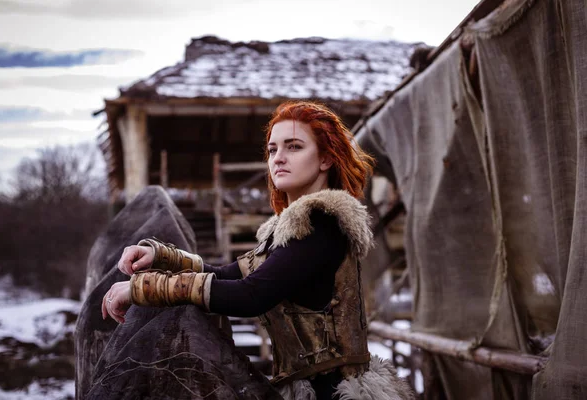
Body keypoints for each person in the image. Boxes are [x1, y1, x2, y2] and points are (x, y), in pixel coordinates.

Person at [102, 101, 413, 400]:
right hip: (306, 387)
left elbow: (250, 295)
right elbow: (229, 274)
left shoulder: (322, 223)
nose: (278, 158)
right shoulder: (288, 230)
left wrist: (145, 287)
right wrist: (163, 258)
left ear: (325, 159)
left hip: (335, 393)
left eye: (294, 146)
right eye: (272, 149)